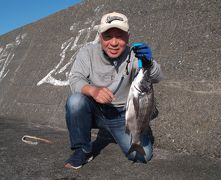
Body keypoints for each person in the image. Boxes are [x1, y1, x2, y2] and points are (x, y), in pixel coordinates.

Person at [64, 12, 163, 169]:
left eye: (120, 36)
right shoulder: (87, 52)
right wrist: (93, 91)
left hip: (123, 115)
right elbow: (75, 79)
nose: (114, 42)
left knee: (142, 155)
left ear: (128, 37)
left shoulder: (134, 55)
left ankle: (119, 132)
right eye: (108, 36)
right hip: (96, 111)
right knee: (75, 101)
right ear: (100, 37)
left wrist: (149, 63)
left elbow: (156, 77)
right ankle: (82, 150)